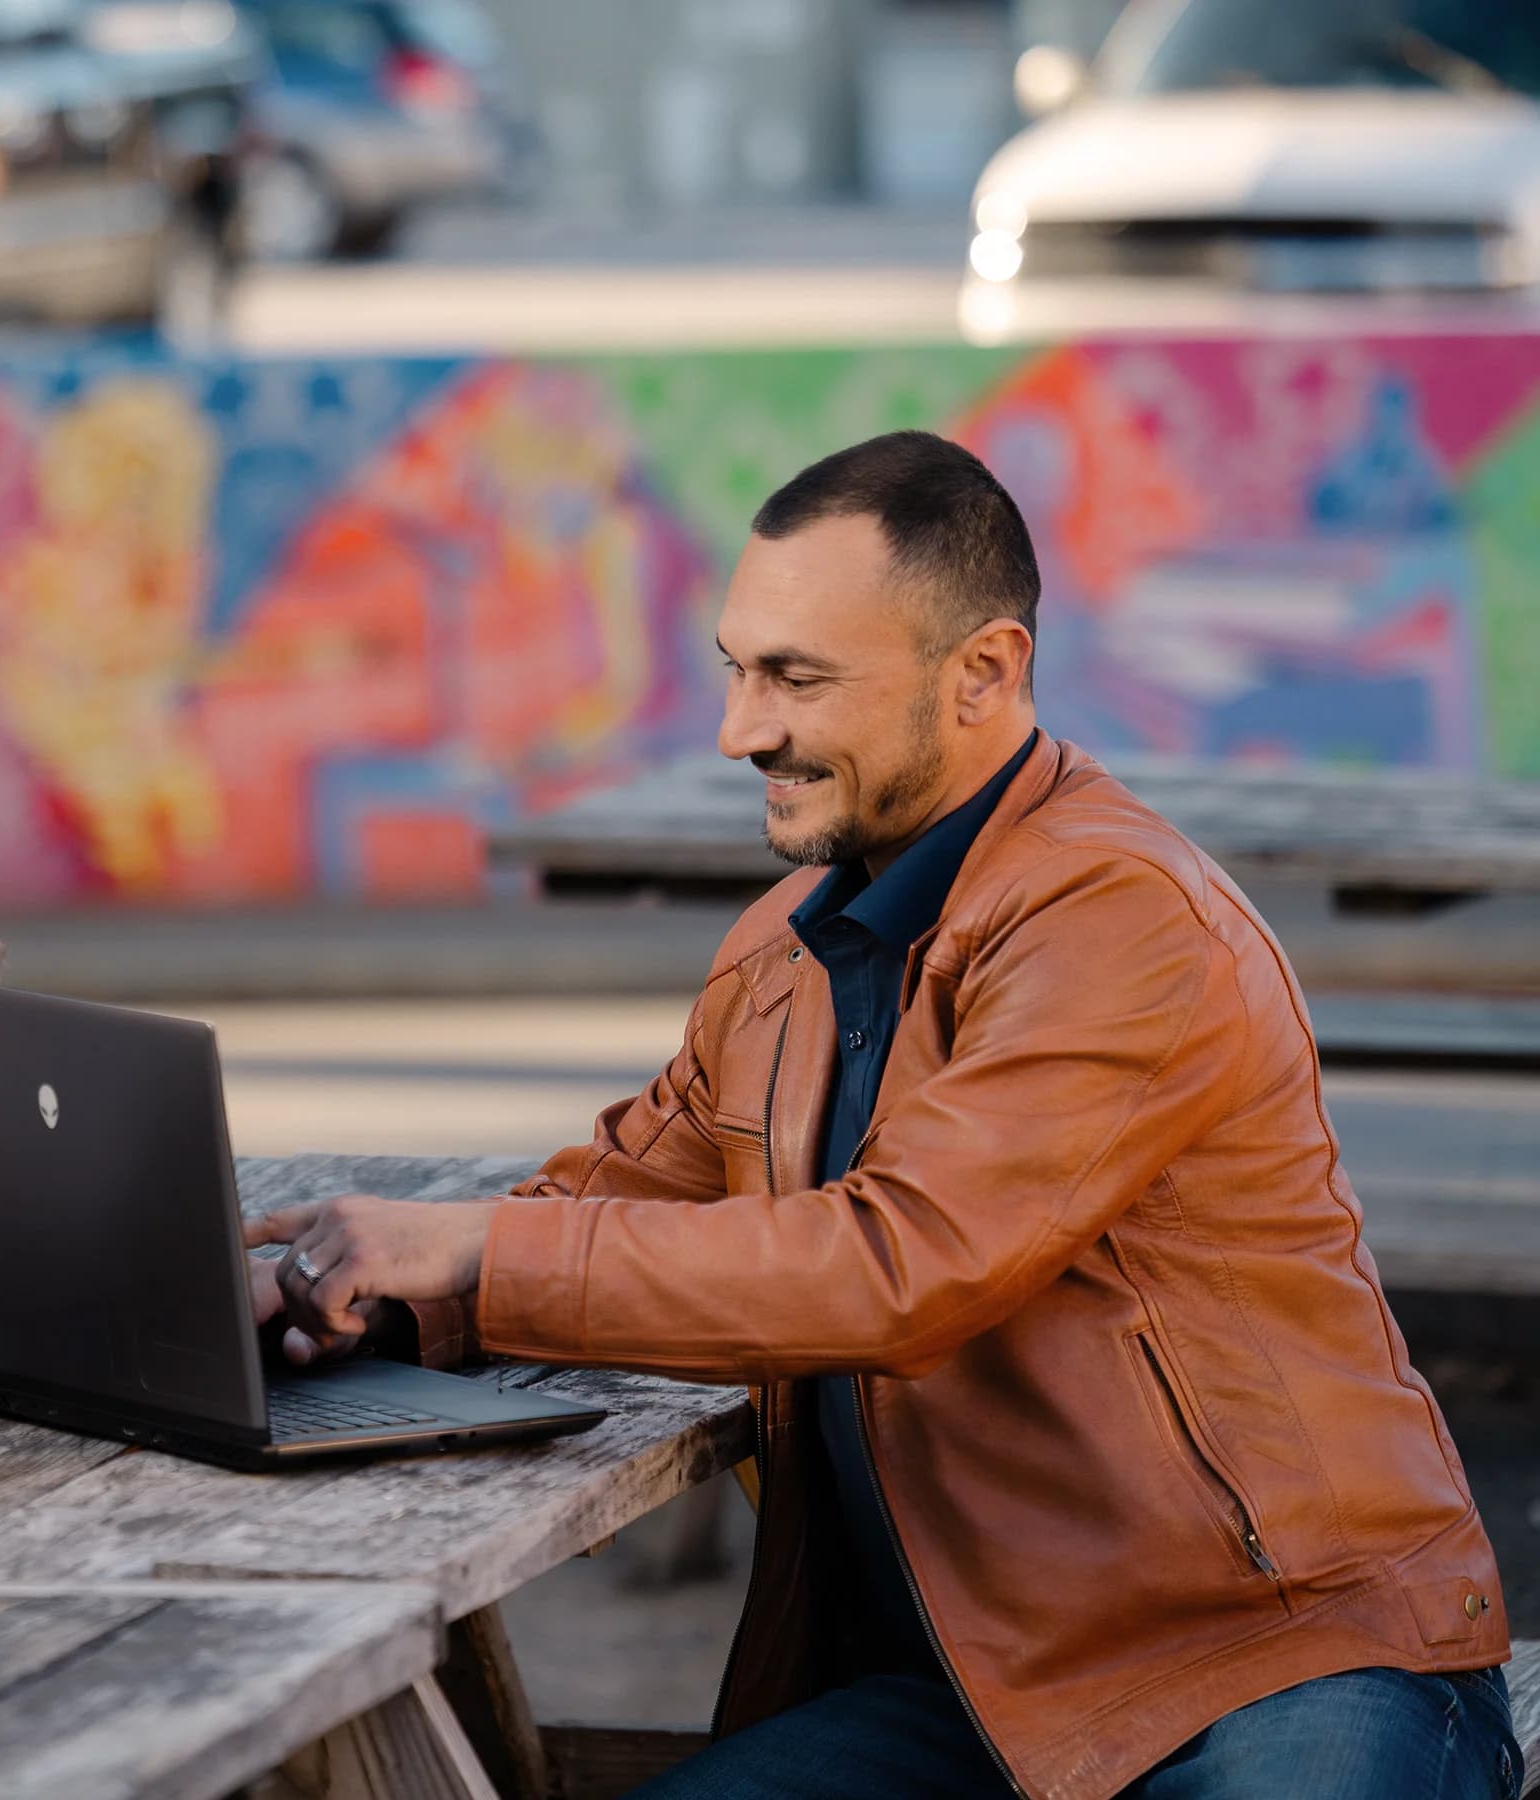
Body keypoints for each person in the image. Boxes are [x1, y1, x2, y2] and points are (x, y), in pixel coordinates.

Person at [246, 432, 1522, 1799]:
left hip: (1282, 1658)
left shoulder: (1118, 916)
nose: (743, 729)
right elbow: (607, 1214)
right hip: (970, 1692)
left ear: (985, 673)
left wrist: (477, 1254)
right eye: (737, 668)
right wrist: (345, 1293)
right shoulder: (785, 948)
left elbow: (904, 1263)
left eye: (797, 679)